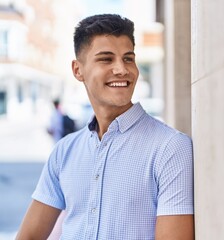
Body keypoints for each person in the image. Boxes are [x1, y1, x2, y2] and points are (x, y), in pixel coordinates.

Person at [16, 14, 194, 239]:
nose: (122, 69)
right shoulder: (64, 152)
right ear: (77, 70)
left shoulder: (170, 148)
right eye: (106, 59)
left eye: (128, 58)